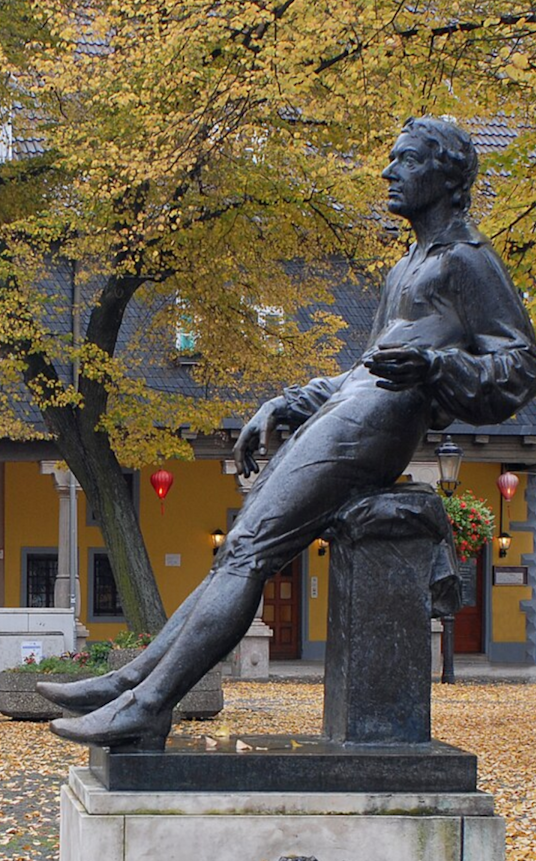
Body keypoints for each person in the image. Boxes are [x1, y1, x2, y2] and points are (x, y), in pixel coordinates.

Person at [38, 116, 536, 749]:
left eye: (405, 161)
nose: (388, 173)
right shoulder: (406, 267)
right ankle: (130, 684)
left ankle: (149, 703)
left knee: (248, 553)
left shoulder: (468, 260)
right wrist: (288, 400)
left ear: (444, 177)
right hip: (354, 409)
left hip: (382, 424)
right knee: (240, 549)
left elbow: (519, 366)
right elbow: (364, 368)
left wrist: (438, 365)